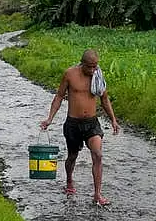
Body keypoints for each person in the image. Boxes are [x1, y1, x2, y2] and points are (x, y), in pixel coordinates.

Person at [40, 49, 120, 206]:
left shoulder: (98, 75)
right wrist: (50, 118)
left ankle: (97, 194)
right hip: (73, 124)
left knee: (97, 155)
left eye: (95, 66)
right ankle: (69, 180)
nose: (92, 70)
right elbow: (59, 96)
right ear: (82, 63)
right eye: (89, 67)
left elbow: (104, 99)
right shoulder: (70, 74)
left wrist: (113, 120)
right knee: (72, 156)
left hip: (91, 123)